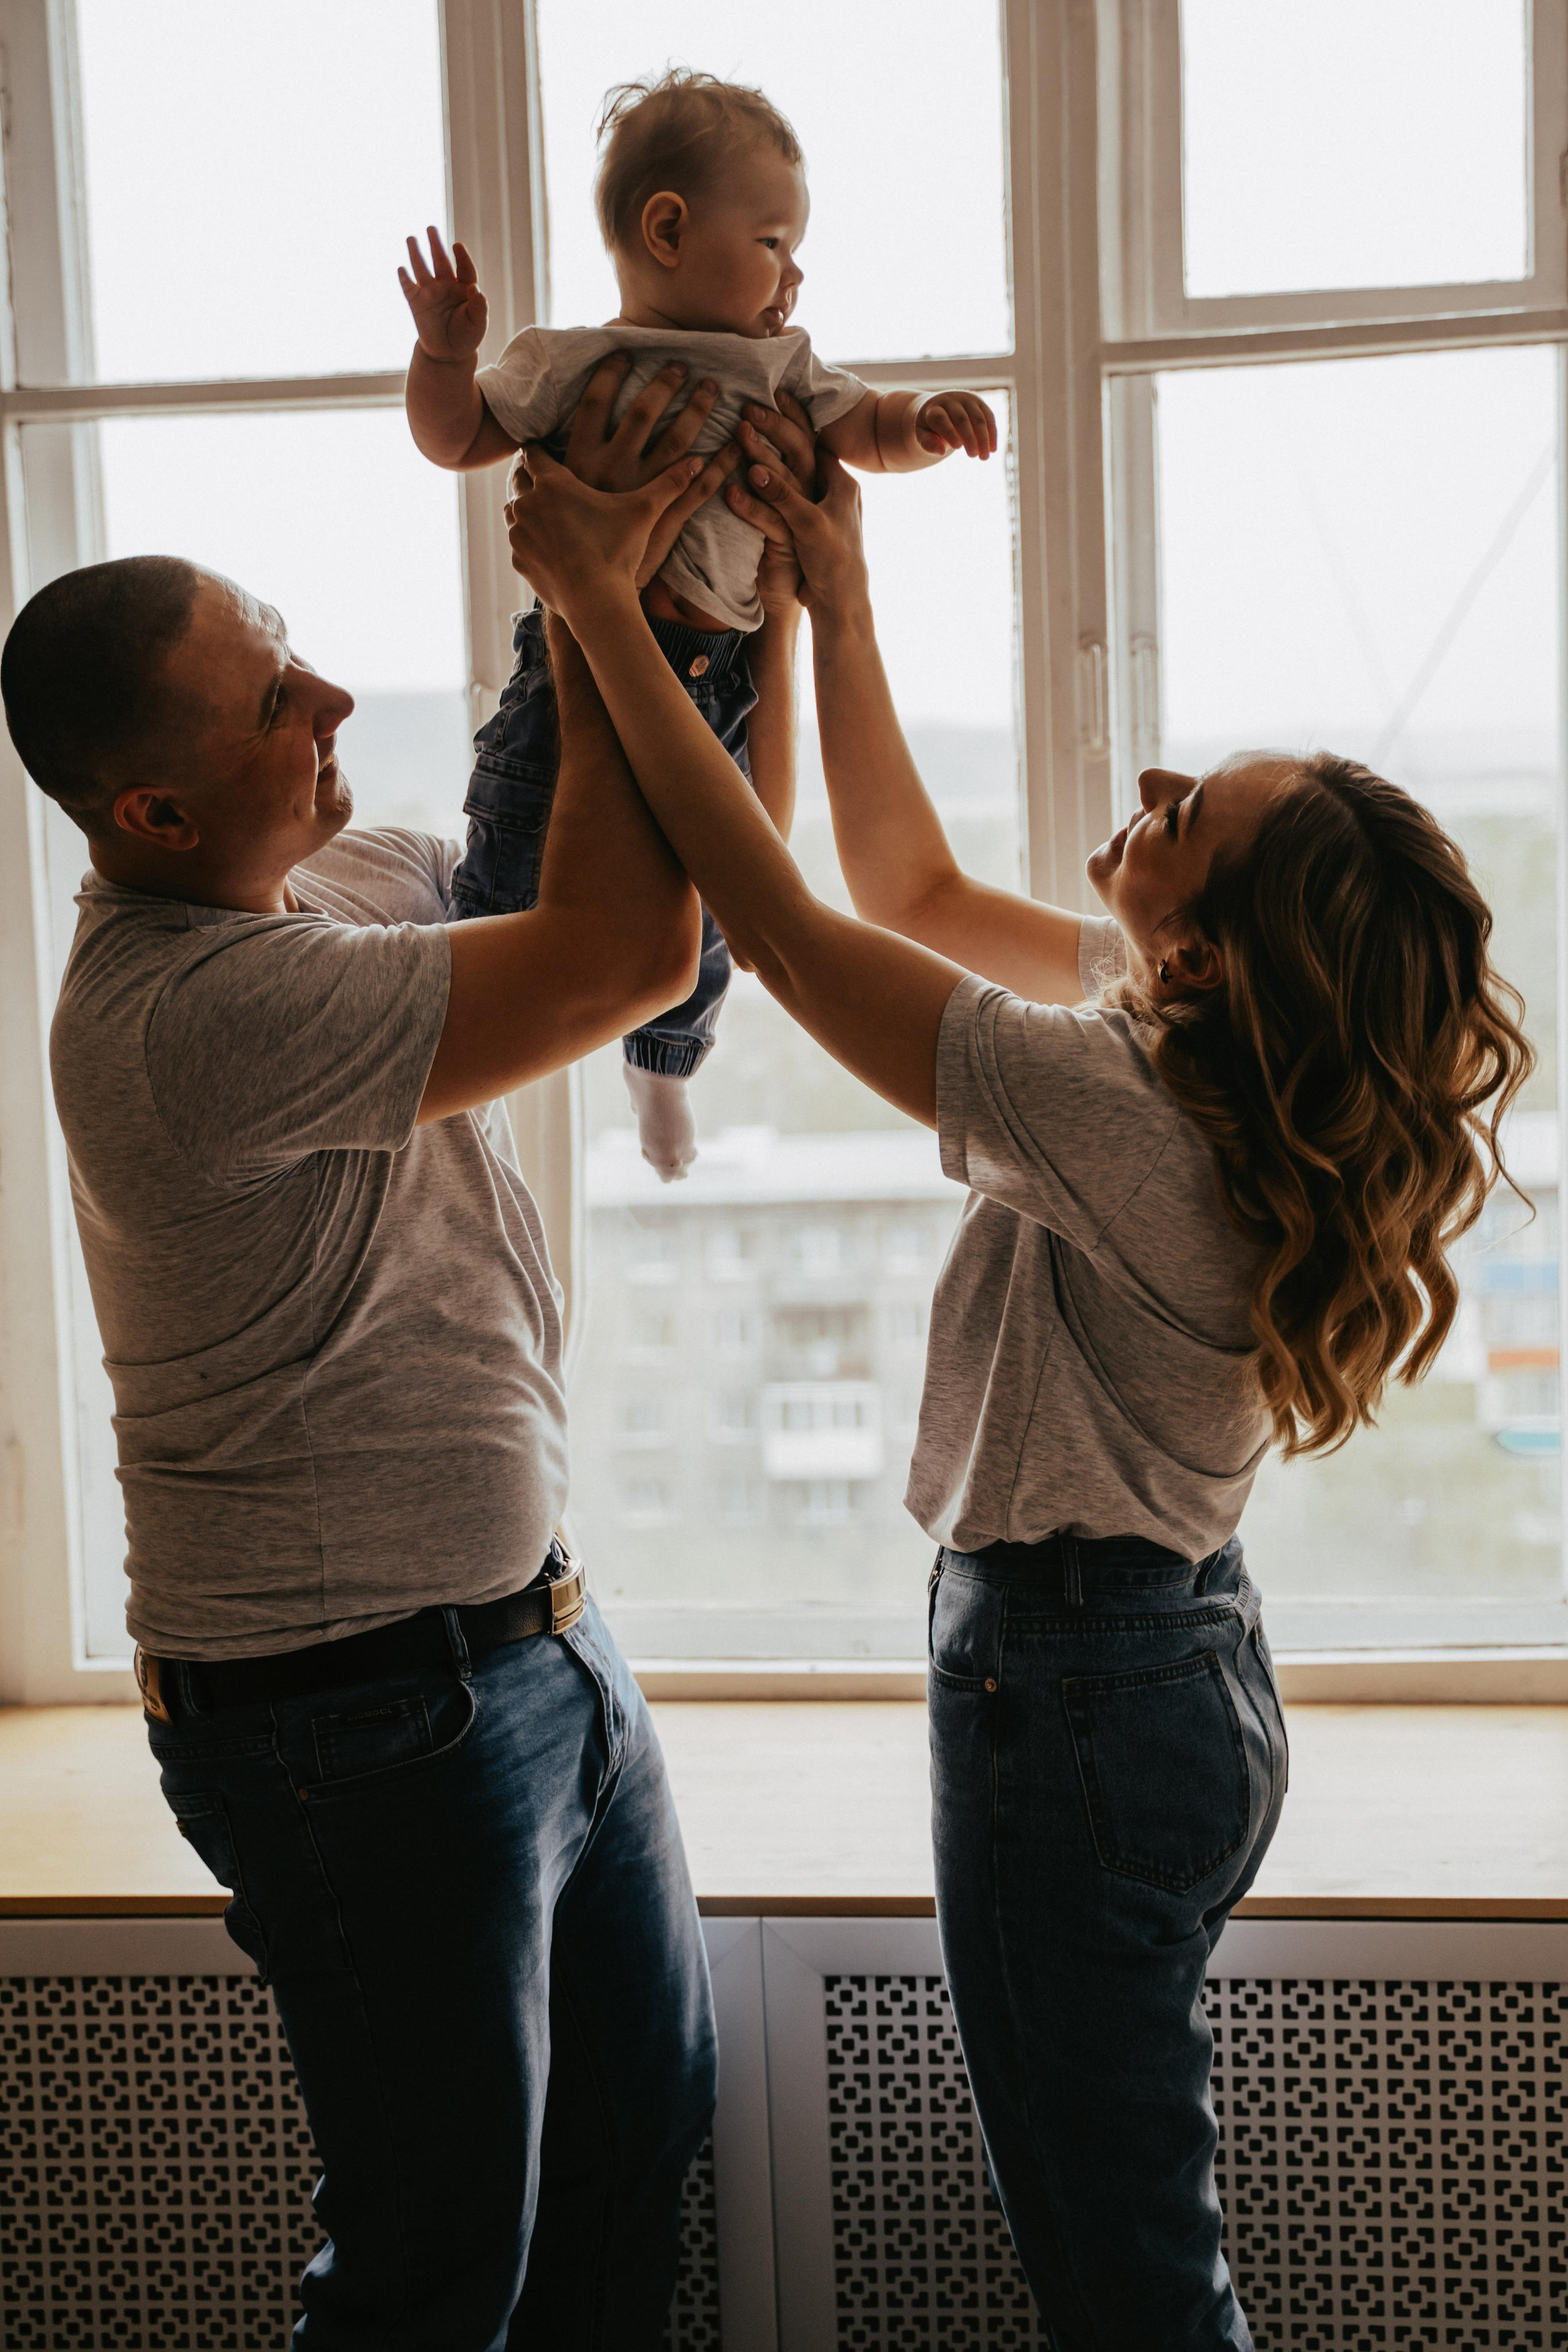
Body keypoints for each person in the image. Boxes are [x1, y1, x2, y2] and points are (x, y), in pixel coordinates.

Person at [496, 419, 1535, 2350]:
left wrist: (597, 619)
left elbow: (801, 941)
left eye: (1190, 808)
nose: (1147, 781)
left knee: (1124, 2269)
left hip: (1075, 1698)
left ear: (1213, 947)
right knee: (1127, 2219)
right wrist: (834, 589)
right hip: (1168, 1677)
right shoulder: (1203, 1061)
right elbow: (904, 876)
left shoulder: (1132, 1100)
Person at [0, 391, 768, 2348]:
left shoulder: (327, 893)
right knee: (435, 2267)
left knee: (634, 2141)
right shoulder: (191, 1014)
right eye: (277, 699)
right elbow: (618, 954)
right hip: (353, 1727)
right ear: (149, 819)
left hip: (536, 1650)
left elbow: (550, 869)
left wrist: (675, 581)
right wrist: (600, 604)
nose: (334, 693)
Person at [399, 67, 996, 1180]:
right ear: (667, 229)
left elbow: (865, 428)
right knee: (518, 857)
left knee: (715, 899)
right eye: (774, 240)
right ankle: (463, 1035)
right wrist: (443, 356)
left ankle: (662, 1069)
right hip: (569, 677)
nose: (796, 272)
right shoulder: (566, 362)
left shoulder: (784, 366)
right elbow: (459, 436)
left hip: (716, 673)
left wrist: (928, 422)